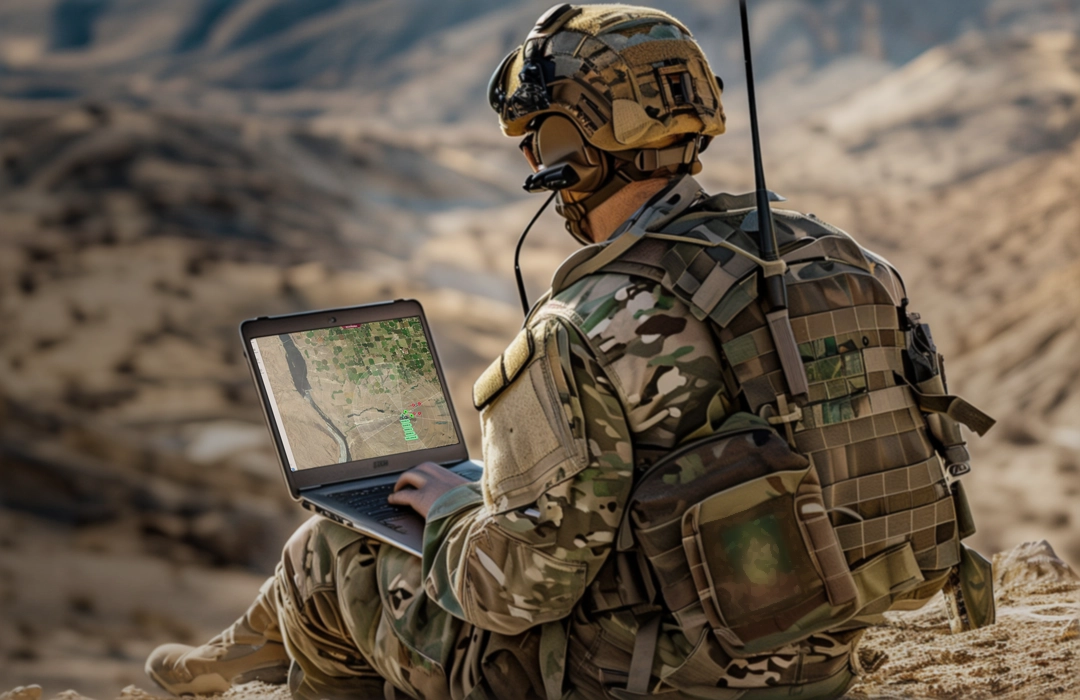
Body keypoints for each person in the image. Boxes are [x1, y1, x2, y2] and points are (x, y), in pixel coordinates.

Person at [147, 5, 992, 699]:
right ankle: (234, 660)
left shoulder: (582, 323)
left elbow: (512, 593)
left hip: (640, 680)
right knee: (466, 496)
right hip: (815, 659)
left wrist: (447, 512)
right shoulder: (839, 258)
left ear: (570, 147)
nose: (528, 158)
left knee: (334, 548)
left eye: (534, 136)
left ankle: (241, 665)